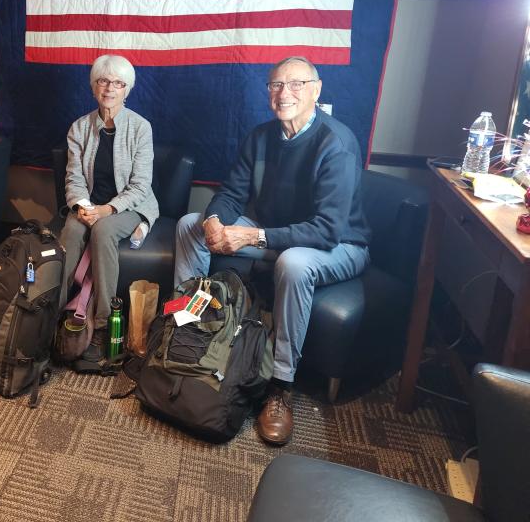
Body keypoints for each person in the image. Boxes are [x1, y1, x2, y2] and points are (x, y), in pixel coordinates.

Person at [174, 56, 370, 445]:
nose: (285, 94)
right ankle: (186, 335)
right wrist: (214, 221)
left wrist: (251, 237)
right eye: (277, 85)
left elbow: (327, 230)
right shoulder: (261, 137)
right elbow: (231, 193)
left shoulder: (337, 144)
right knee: (188, 226)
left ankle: (281, 386)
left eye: (297, 85)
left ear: (316, 90)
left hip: (340, 244)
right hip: (275, 234)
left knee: (294, 263)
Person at [59, 55, 159, 364]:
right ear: (93, 87)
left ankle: (102, 323)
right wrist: (83, 206)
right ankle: (52, 311)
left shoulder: (140, 128)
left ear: (127, 89)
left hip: (130, 205)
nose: (110, 88)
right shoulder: (79, 128)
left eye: (118, 83)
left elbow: (141, 185)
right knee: (71, 230)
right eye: (103, 81)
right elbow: (74, 177)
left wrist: (107, 210)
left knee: (102, 230)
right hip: (91, 205)